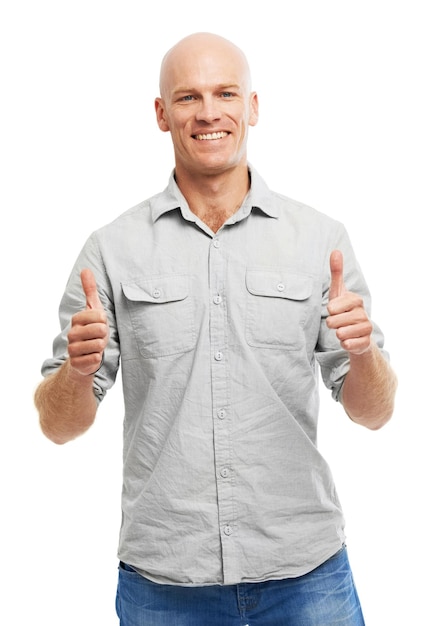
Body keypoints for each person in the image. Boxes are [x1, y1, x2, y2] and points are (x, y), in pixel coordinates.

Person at [34, 32, 397, 626]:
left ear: (253, 107)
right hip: (165, 586)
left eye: (226, 93)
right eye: (187, 97)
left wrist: (363, 356)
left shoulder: (320, 240)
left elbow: (373, 413)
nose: (208, 112)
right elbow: (57, 426)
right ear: (161, 113)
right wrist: (76, 373)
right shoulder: (110, 250)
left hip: (306, 577)